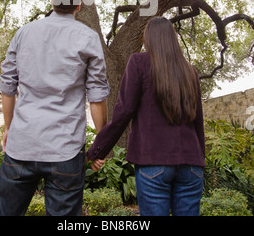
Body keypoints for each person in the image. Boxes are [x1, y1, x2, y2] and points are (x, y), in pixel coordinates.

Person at [0, 0, 109, 216]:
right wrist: (101, 144)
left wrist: (8, 128)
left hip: (21, 143)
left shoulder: (24, 33)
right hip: (65, 149)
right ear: (78, 6)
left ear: (52, 2)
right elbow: (96, 95)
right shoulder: (88, 37)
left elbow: (7, 86)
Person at [87, 17, 205, 216]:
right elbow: (198, 122)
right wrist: (200, 157)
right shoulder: (189, 70)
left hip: (154, 162)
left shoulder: (139, 62)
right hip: (191, 166)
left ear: (148, 38)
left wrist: (99, 150)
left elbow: (124, 112)